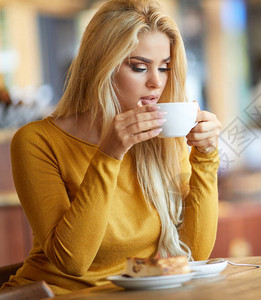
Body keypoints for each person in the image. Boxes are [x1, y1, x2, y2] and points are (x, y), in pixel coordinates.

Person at [0, 0, 221, 294]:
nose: (156, 82)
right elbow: (73, 262)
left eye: (164, 67)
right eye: (140, 67)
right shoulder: (37, 141)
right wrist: (109, 155)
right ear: (101, 66)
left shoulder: (162, 141)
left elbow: (194, 252)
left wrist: (206, 157)